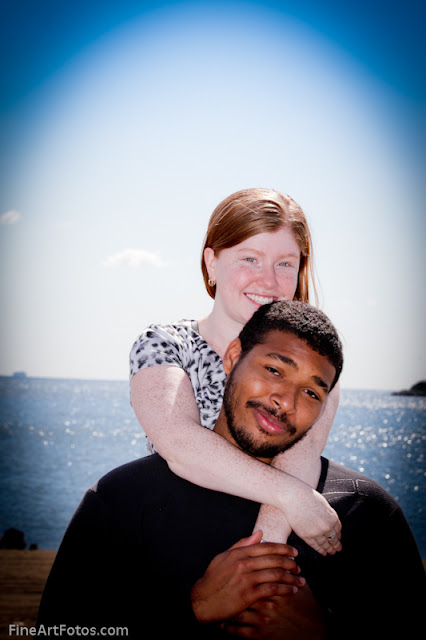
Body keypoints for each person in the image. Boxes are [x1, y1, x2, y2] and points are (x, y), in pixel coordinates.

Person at [37, 302, 426, 639]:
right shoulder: (123, 498)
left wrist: (323, 632)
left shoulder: (364, 511)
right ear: (233, 356)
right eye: (274, 369)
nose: (286, 401)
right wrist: (193, 607)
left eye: (311, 392)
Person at [130, 188, 341, 553]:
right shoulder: (166, 345)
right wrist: (293, 496)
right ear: (212, 263)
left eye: (285, 264)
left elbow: (299, 460)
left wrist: (260, 560)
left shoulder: (317, 366)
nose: (269, 280)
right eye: (250, 258)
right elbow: (179, 442)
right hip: (173, 535)